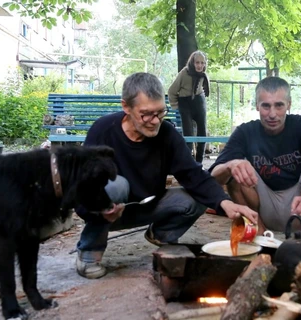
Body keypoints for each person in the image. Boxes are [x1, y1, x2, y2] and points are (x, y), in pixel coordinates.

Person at [75, 72, 258, 279]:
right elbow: (81, 187)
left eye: (160, 112)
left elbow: (193, 175)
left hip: (148, 205)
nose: (155, 121)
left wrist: (225, 203)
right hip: (108, 210)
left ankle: (161, 236)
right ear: (126, 107)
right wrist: (97, 209)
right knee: (117, 186)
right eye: (146, 114)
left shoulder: (167, 134)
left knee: (196, 198)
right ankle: (89, 251)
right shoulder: (103, 131)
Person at [209, 76, 301, 237]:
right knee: (235, 170)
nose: (272, 114)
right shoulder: (245, 132)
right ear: (257, 105)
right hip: (262, 208)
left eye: (279, 106)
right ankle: (261, 235)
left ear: (288, 105)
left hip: (299, 207)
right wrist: (230, 166)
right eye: (266, 106)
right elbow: (212, 178)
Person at [168, 50, 210, 164]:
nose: (200, 65)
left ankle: (199, 162)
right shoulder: (184, 73)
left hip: (198, 101)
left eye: (202, 63)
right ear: (192, 62)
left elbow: (203, 89)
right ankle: (188, 163)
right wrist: (175, 106)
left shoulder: (203, 75)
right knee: (188, 135)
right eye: (197, 62)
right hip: (185, 103)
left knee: (202, 132)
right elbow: (172, 91)